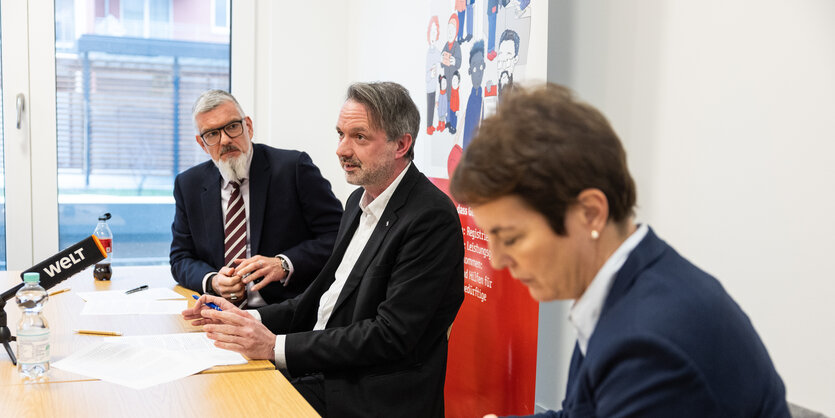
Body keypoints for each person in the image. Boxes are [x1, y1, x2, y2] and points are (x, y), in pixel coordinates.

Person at [450, 83, 789, 417]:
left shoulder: (651, 344)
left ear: (590, 213)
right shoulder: (629, 288)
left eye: (510, 238)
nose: (496, 259)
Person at [183, 82, 465, 418]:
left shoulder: (430, 217)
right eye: (340, 135)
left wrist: (274, 346)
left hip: (368, 391)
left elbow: (390, 336)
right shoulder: (357, 203)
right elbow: (316, 302)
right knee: (206, 394)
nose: (341, 150)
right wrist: (242, 320)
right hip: (323, 367)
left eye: (359, 137)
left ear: (401, 144)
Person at [170, 90, 343, 307]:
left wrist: (285, 264)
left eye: (232, 127)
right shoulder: (189, 185)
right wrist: (213, 281)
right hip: (220, 312)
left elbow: (339, 235)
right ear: (202, 143)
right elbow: (180, 258)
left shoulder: (293, 168)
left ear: (248, 127)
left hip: (287, 312)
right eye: (212, 134)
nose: (225, 140)